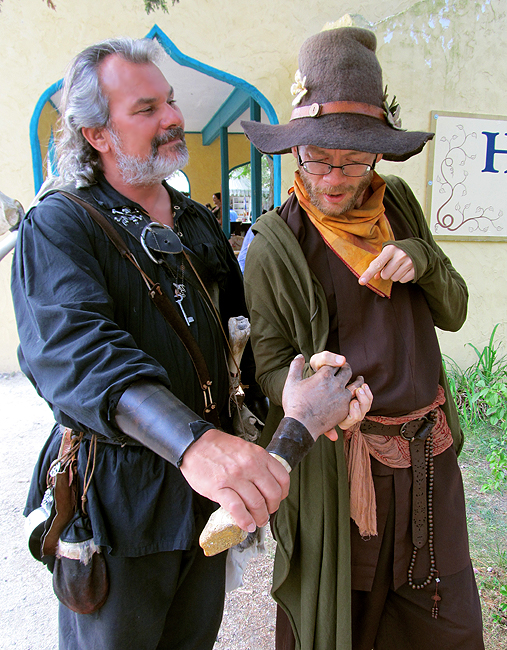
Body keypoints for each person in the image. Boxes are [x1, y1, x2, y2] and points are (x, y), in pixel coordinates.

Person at [12, 37, 369, 650]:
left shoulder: (197, 221)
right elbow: (78, 354)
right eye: (146, 109)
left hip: (204, 499)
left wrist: (297, 387)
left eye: (170, 103)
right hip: (117, 505)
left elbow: (242, 340)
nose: (172, 117)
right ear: (97, 134)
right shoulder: (60, 223)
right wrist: (196, 444)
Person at [241, 27, 484, 650]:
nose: (332, 176)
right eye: (316, 156)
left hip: (430, 460)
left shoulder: (397, 204)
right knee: (347, 624)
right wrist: (307, 378)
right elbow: (265, 368)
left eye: (352, 159)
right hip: (344, 478)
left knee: (444, 621)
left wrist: (421, 260)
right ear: (295, 149)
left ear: (377, 155)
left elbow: (453, 311)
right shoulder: (277, 243)